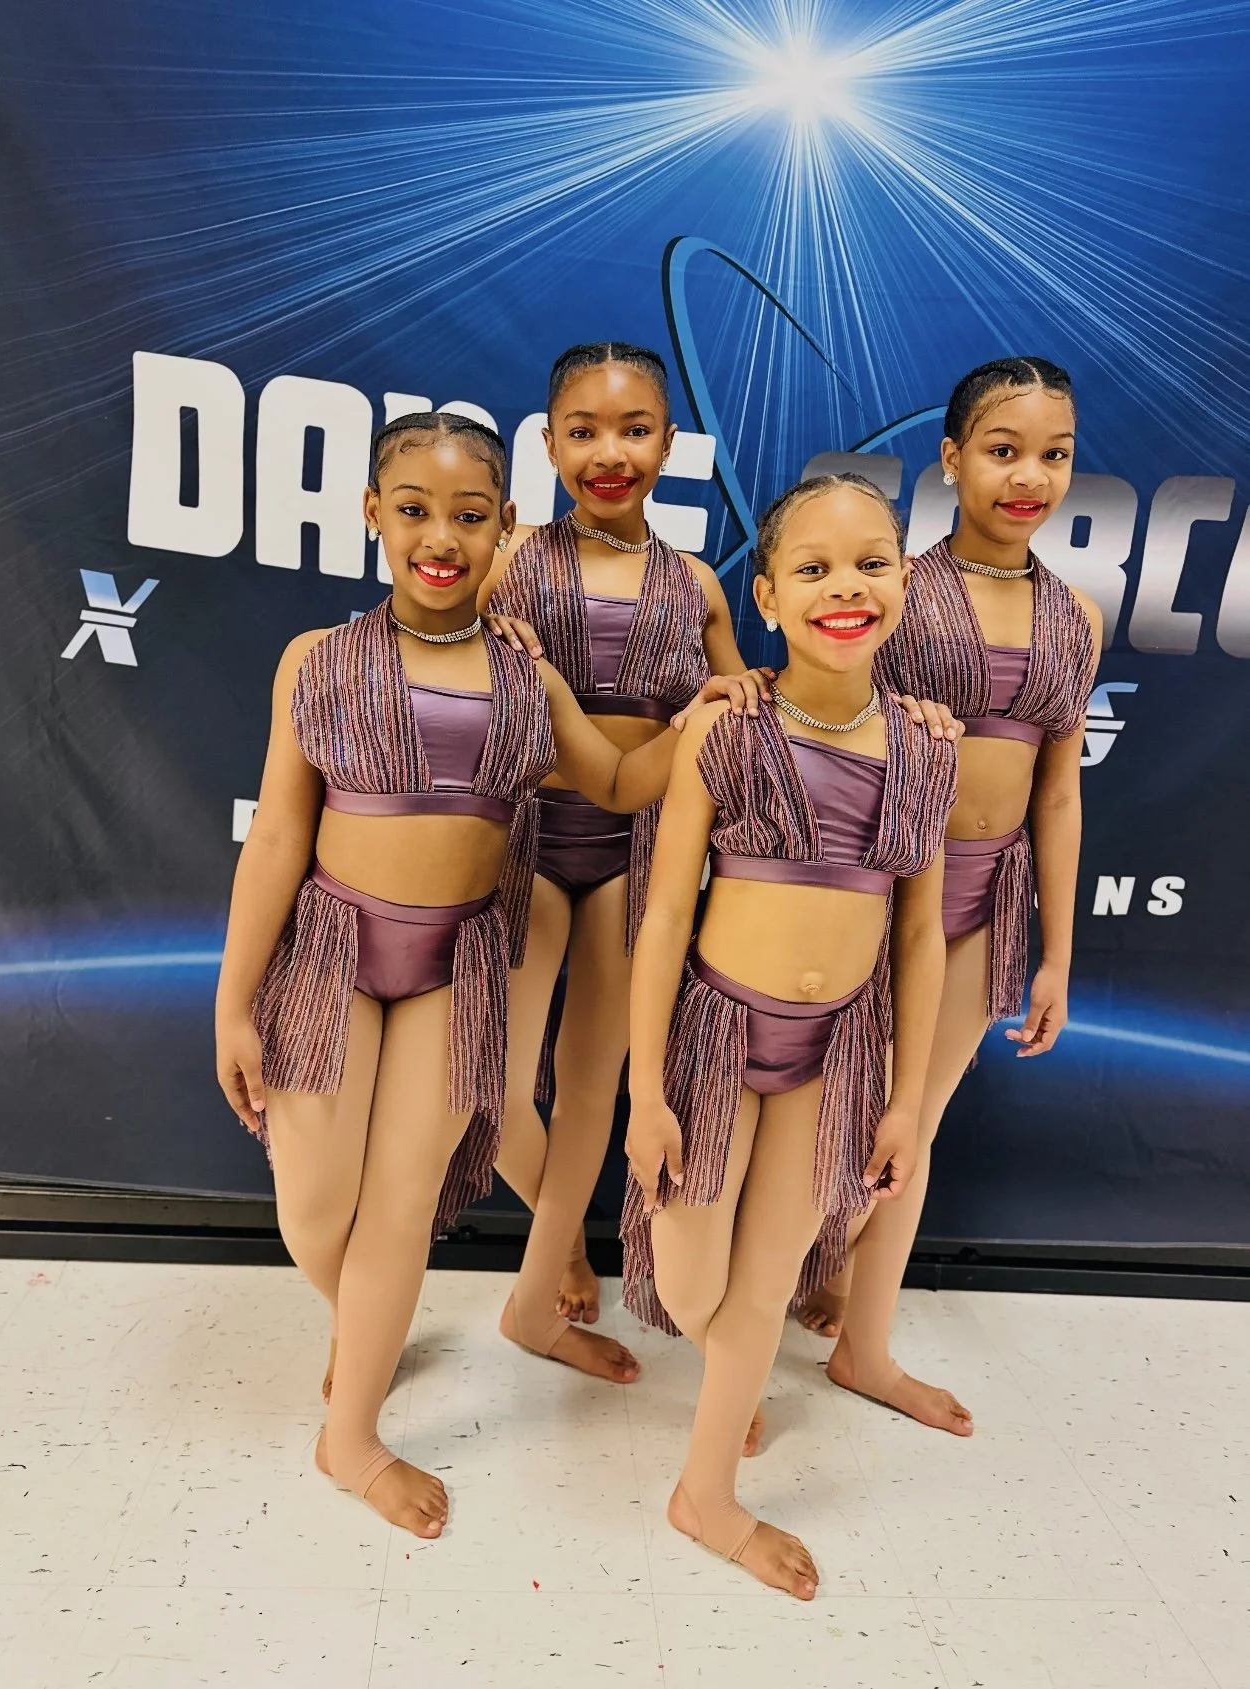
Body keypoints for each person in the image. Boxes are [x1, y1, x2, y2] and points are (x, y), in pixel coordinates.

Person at [213, 411, 761, 1537]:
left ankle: (352, 1436)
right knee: (319, 1209)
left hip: (457, 960)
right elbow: (276, 836)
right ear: (372, 514)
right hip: (331, 955)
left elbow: (614, 783)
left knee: (404, 1208)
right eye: (413, 510)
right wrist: (232, 1000)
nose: (440, 538)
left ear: (504, 525)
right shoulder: (315, 661)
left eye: (469, 515)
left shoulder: (526, 673)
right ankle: (359, 1319)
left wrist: (701, 715)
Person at [621, 474, 957, 1598]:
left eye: (871, 563)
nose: (844, 587)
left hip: (839, 1048)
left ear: (905, 581)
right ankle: (731, 1371)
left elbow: (920, 937)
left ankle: (704, 1494)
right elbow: (665, 914)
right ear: (766, 596)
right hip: (717, 1039)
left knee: (764, 1288)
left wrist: (907, 1098)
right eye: (812, 569)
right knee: (692, 1286)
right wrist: (648, 1094)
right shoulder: (727, 730)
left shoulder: (923, 748)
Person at [801, 358, 1103, 1436]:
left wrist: (1057, 954)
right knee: (811, 1123)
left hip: (983, 907)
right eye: (1003, 449)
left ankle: (863, 1348)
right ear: (951, 457)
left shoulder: (1075, 619)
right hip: (867, 896)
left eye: (1054, 454)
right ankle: (749, 1322)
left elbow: (1057, 799)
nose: (1030, 476)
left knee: (905, 1126)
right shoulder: (895, 591)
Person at [480, 342, 765, 1377]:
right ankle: (556, 1240)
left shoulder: (694, 585)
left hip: (631, 860)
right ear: (547, 442)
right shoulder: (507, 563)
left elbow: (750, 717)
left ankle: (537, 1293)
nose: (611, 453)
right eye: (584, 432)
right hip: (521, 846)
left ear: (671, 444)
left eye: (634, 430)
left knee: (590, 1088)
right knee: (495, 1091)